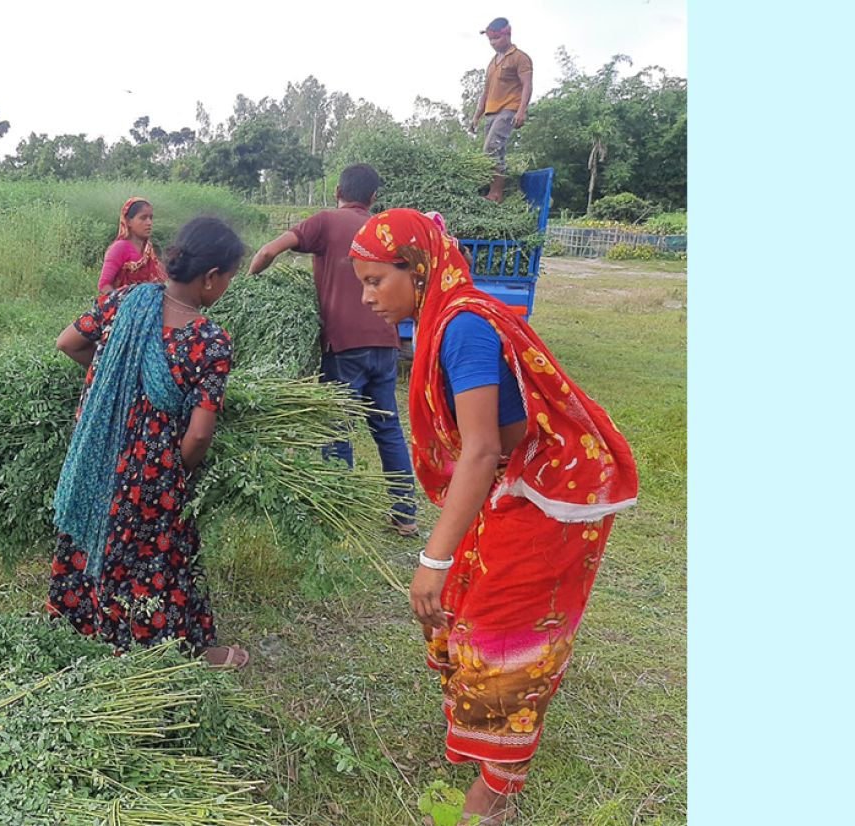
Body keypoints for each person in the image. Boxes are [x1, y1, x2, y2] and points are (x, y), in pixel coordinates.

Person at [349, 208, 638, 823]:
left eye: (376, 280)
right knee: (467, 606)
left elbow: (480, 449)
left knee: (504, 632)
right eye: (361, 283)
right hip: (510, 483)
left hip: (546, 494)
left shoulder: (464, 330)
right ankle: (485, 733)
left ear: (418, 268)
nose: (366, 296)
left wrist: (432, 557)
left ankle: (498, 790)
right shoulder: (443, 319)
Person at [49, 216, 247, 668]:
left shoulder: (122, 301)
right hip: (150, 473)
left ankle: (84, 627)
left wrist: (114, 379)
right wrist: (179, 471)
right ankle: (172, 650)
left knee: (93, 537)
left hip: (97, 455)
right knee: (157, 559)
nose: (227, 287)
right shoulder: (208, 339)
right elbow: (199, 433)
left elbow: (68, 342)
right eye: (229, 278)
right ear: (211, 277)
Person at [248, 163, 417, 535]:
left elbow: (269, 251)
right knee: (387, 429)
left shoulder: (324, 221)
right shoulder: (384, 228)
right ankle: (405, 515)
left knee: (336, 428)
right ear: (373, 198)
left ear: (338, 190)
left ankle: (338, 513)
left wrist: (246, 284)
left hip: (342, 346)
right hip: (385, 342)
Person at [471, 17, 534, 203]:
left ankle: (496, 193)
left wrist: (521, 111)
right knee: (494, 153)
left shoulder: (520, 58)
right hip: (491, 112)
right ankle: (494, 190)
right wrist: (476, 116)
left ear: (507, 34)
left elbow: (527, 86)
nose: (492, 43)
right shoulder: (492, 62)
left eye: (496, 39)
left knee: (491, 148)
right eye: (490, 40)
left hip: (509, 109)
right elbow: (486, 92)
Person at [97, 197, 168, 293]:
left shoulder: (148, 250)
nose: (149, 223)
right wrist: (125, 303)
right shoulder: (119, 248)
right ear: (128, 221)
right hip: (121, 305)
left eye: (150, 218)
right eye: (143, 218)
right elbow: (104, 285)